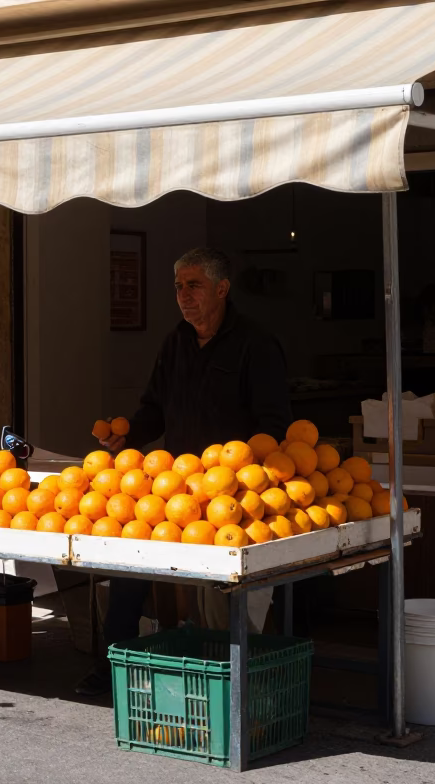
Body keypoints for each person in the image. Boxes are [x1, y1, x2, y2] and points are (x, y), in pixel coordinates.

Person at [75, 247, 292, 697]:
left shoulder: (256, 343)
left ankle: (230, 677)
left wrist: (240, 470)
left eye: (193, 285)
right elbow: (153, 411)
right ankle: (116, 664)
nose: (184, 295)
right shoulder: (175, 342)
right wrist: (127, 436)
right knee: (129, 561)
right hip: (175, 488)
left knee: (224, 590)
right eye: (178, 287)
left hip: (233, 490)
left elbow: (274, 425)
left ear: (221, 288)